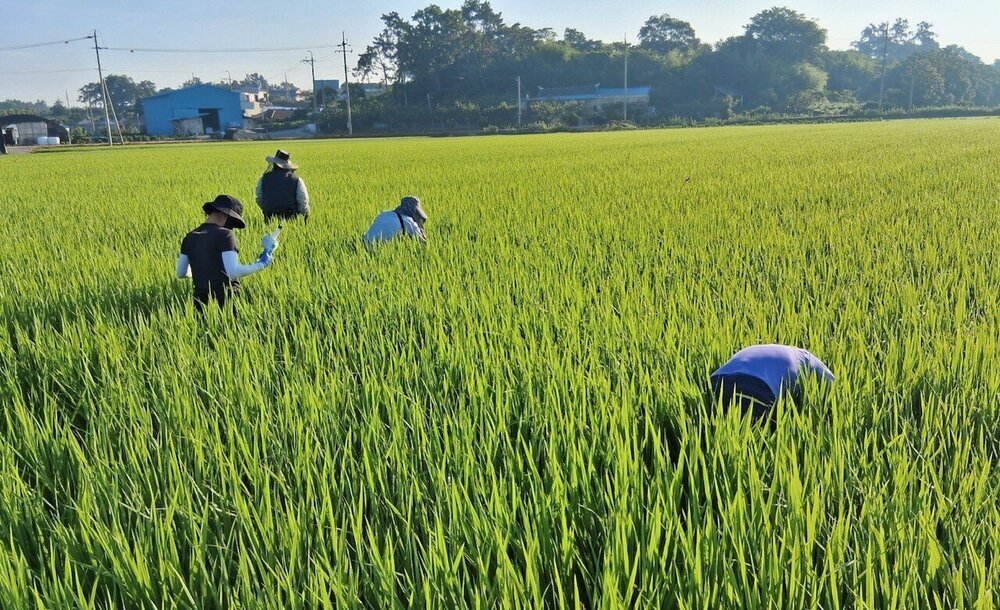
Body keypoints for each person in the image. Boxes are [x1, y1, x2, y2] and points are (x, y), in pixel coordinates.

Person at [176, 195, 278, 312]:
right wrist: (261, 264)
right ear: (224, 214)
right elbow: (232, 272)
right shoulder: (225, 234)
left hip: (200, 302)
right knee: (229, 329)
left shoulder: (190, 236)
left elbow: (181, 273)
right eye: (232, 222)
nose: (232, 227)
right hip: (227, 300)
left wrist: (203, 272)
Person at [710, 344, 834, 420]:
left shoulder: (759, 348)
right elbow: (832, 385)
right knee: (755, 442)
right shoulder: (808, 358)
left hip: (716, 381)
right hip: (757, 387)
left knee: (716, 424)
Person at [256, 149, 310, 222]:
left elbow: (259, 198)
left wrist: (268, 209)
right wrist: (305, 216)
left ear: (274, 164)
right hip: (291, 219)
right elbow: (303, 201)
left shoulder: (263, 178)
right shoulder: (297, 180)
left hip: (269, 219)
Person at [363, 196, 428, 245]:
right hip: (377, 248)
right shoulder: (407, 220)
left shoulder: (384, 213)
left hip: (363, 243)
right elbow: (422, 242)